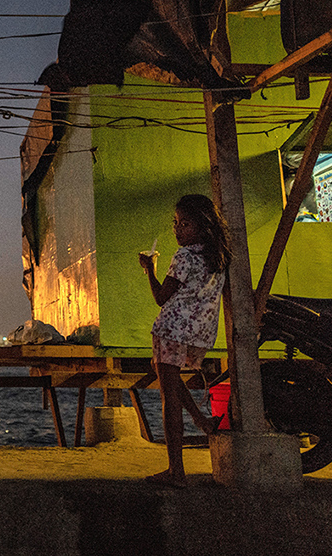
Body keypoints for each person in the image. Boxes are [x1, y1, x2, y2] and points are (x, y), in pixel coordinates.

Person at [139, 194, 230, 488]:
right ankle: (202, 421)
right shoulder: (218, 255)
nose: (178, 229)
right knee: (169, 378)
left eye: (185, 224)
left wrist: (149, 270)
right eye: (176, 223)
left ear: (202, 226)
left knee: (169, 399)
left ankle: (176, 471)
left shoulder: (184, 257)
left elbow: (160, 298)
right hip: (199, 333)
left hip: (172, 330)